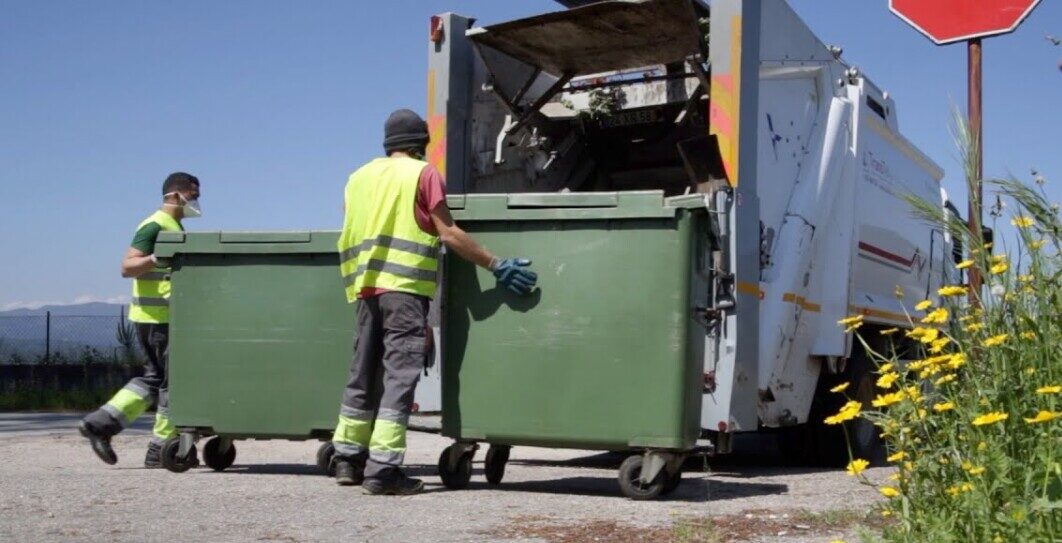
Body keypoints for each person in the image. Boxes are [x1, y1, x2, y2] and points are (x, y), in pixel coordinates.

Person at [331, 109, 537, 495]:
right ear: (420, 143)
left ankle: (347, 458)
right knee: (399, 375)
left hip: (364, 288)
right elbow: (448, 232)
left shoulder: (356, 178)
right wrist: (495, 264)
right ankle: (384, 471)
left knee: (362, 372)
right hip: (404, 287)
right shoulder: (422, 174)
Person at [78, 172, 202, 467]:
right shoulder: (155, 225)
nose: (196, 202)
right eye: (193, 196)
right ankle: (160, 449)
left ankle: (100, 424)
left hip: (157, 317)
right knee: (174, 382)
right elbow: (127, 266)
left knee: (155, 379)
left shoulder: (172, 225)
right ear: (175, 195)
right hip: (157, 319)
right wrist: (155, 259)